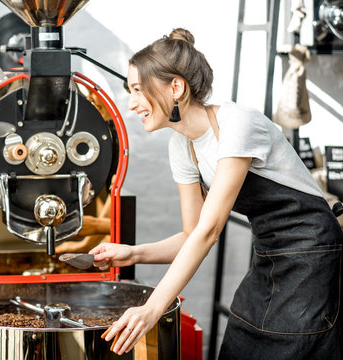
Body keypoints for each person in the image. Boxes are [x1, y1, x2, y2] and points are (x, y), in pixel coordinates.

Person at [92, 28, 343, 359]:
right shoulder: (182, 147)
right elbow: (191, 234)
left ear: (176, 87)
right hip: (269, 254)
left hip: (312, 252)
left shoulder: (237, 123)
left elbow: (209, 233)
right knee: (240, 344)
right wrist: (134, 253)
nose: (131, 101)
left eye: (137, 89)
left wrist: (152, 309)